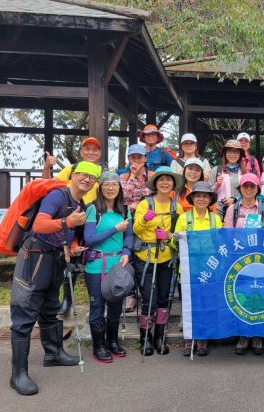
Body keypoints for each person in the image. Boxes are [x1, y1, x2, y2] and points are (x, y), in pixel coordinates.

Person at [9, 161, 99, 396]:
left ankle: (53, 353)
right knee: (25, 312)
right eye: (83, 174)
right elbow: (39, 225)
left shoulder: (79, 202)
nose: (86, 179)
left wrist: (74, 245)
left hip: (55, 258)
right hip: (34, 257)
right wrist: (68, 222)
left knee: (50, 308)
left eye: (92, 177)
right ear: (73, 174)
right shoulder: (57, 195)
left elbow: (65, 233)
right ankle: (17, 374)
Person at [43, 137, 103, 316]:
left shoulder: (103, 171)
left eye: (95, 150)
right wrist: (48, 166)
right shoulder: (72, 169)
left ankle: (98, 296)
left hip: (93, 218)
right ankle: (66, 299)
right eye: (87, 149)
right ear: (81, 151)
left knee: (87, 256)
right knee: (71, 259)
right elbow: (47, 185)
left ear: (99, 154)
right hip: (72, 216)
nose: (91, 152)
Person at [132, 166, 184, 356]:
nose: (164, 183)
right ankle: (144, 338)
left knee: (164, 298)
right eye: (161, 179)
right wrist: (145, 220)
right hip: (145, 257)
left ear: (173, 184)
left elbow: (177, 234)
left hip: (166, 258)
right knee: (149, 299)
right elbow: (136, 229)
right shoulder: (145, 203)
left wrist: (168, 235)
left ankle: (159, 338)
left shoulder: (175, 206)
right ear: (155, 183)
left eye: (168, 180)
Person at [83, 171, 133, 363]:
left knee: (116, 305)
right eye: (107, 184)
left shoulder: (124, 210)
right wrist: (114, 229)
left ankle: (112, 341)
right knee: (97, 305)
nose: (111, 188)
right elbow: (89, 239)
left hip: (117, 264)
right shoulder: (93, 210)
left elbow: (128, 235)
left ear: (120, 187)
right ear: (100, 187)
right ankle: (99, 346)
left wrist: (127, 250)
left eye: (114, 184)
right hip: (96, 265)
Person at [224, 173, 264, 355]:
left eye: (252, 186)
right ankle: (243, 334)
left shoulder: (263, 208)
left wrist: (260, 230)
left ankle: (257, 334)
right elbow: (226, 234)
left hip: (258, 259)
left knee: (258, 294)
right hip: (238, 260)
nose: (248, 189)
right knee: (241, 296)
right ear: (240, 189)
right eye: (245, 186)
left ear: (257, 189)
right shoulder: (233, 209)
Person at [172, 181, 223, 357]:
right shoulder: (183, 218)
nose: (201, 199)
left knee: (206, 304)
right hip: (187, 270)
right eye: (198, 195)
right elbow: (174, 242)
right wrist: (176, 238)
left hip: (209, 270)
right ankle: (189, 339)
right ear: (192, 198)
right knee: (189, 305)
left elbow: (219, 243)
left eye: (205, 196)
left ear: (210, 199)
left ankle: (202, 339)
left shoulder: (215, 219)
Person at [119, 144, 153, 313]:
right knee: (128, 255)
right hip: (127, 221)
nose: (137, 160)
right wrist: (133, 175)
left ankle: (145, 293)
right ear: (129, 159)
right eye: (133, 157)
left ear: (145, 158)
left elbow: (152, 195)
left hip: (147, 221)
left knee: (141, 257)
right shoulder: (123, 177)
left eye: (140, 157)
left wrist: (138, 205)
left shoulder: (152, 176)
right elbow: (122, 197)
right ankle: (129, 294)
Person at [209, 139, 246, 219]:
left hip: (240, 211)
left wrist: (235, 199)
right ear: (225, 153)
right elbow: (208, 193)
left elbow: (249, 193)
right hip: (219, 212)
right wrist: (217, 184)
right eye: (229, 151)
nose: (232, 154)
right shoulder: (216, 170)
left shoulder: (244, 172)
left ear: (240, 154)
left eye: (236, 152)